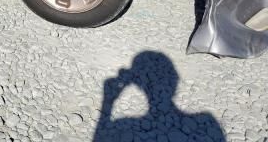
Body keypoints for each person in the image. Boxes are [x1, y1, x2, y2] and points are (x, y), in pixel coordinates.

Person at [93, 51, 225, 142]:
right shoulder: (209, 121)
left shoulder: (122, 125)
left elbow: (99, 137)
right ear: (176, 81)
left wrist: (107, 103)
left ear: (138, 85)